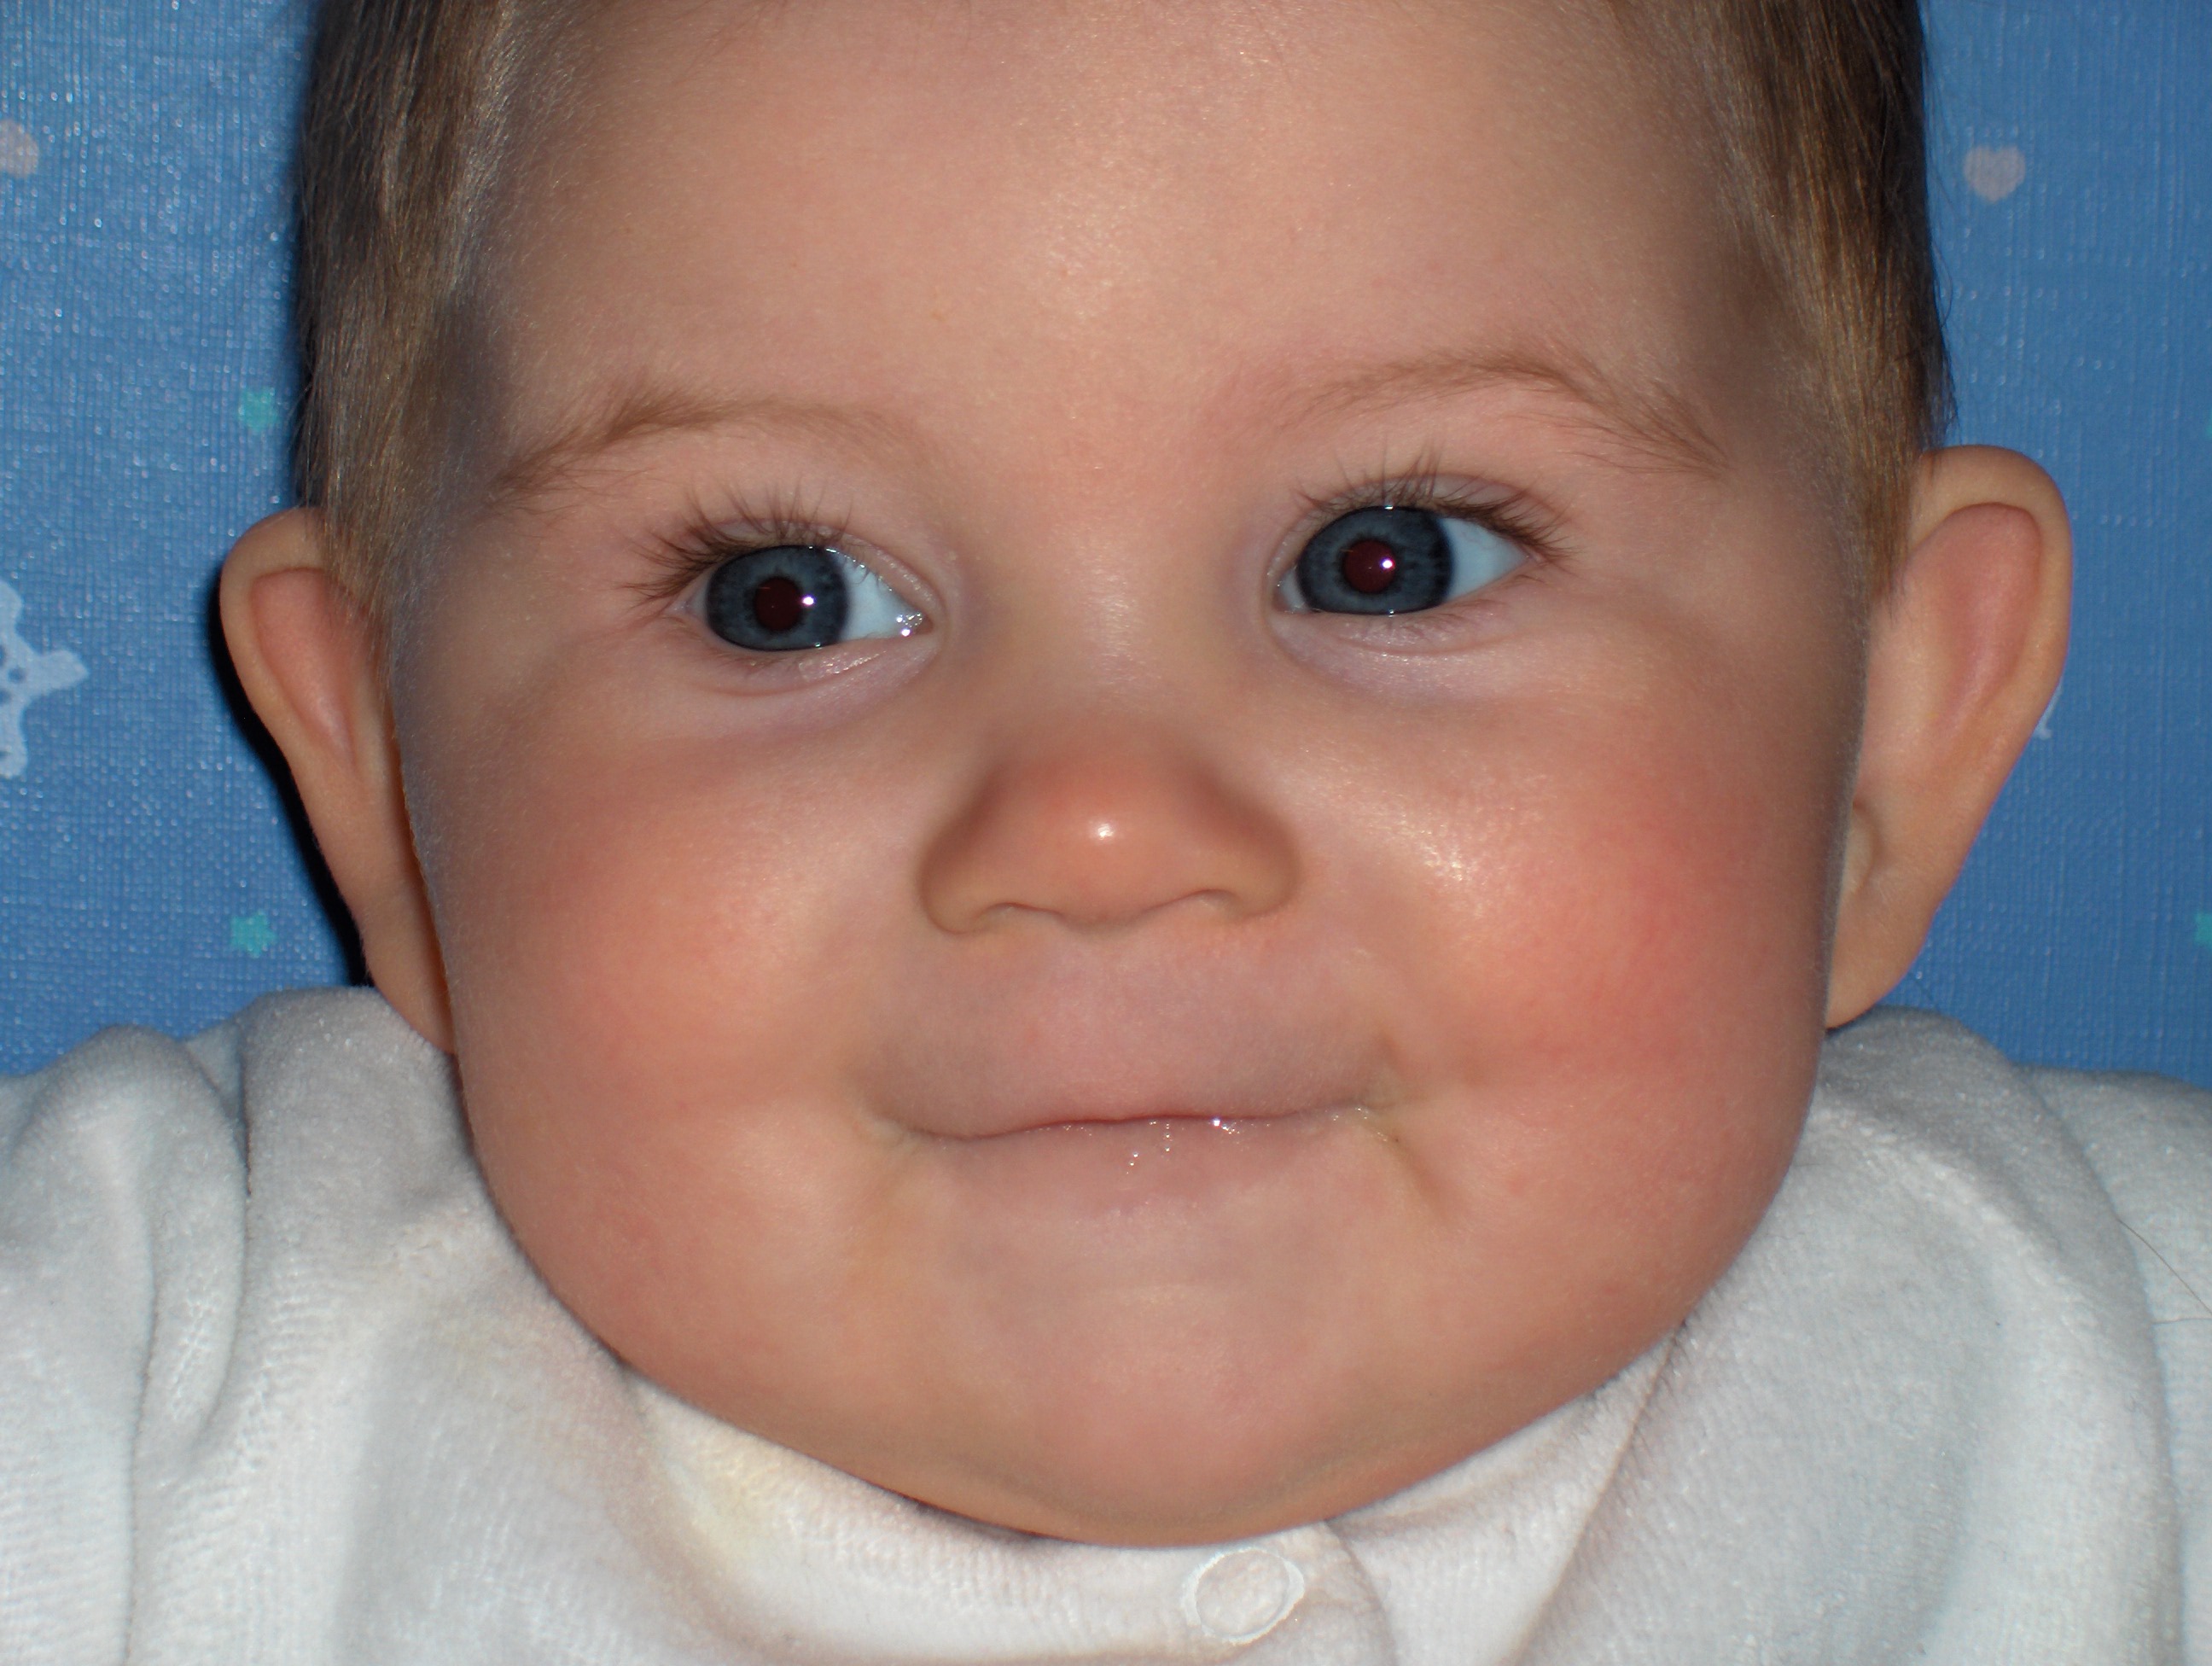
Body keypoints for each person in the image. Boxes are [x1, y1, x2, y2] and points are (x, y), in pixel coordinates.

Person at [3, 0, 2206, 1659]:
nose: (1096, 828)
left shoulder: (2117, 1356)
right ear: (387, 782)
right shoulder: (138, 1375)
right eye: (785, 598)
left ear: (1891, 737)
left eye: (1389, 560)